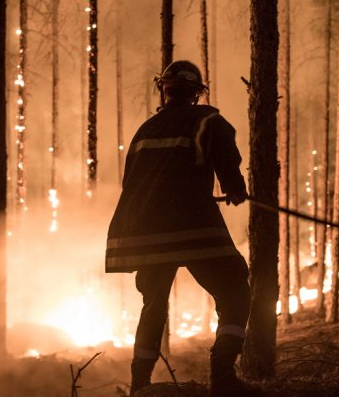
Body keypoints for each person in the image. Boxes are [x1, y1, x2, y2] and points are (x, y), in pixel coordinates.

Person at [106, 60, 256, 396]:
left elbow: (133, 183)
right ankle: (223, 376)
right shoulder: (207, 120)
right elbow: (225, 155)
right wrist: (234, 187)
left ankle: (140, 384)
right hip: (192, 225)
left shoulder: (144, 131)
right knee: (234, 289)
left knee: (153, 306)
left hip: (145, 231)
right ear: (196, 92)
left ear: (164, 88)